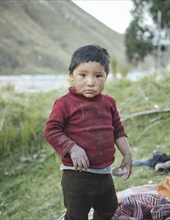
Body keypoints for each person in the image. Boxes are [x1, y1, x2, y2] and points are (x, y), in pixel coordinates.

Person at [44, 44, 132, 220]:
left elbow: (118, 130)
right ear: (71, 75)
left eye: (98, 76)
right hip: (76, 176)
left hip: (104, 174)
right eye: (83, 75)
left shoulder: (109, 103)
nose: (90, 82)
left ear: (106, 76)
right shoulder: (65, 103)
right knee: (77, 215)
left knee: (108, 209)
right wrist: (72, 148)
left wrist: (127, 154)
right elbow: (51, 130)